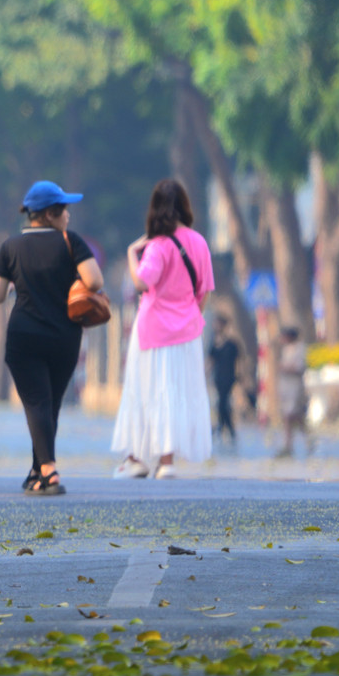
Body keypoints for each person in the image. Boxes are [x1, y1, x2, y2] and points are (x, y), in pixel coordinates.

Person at [0, 181, 104, 496]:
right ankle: (40, 471)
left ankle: (46, 469)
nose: (68, 215)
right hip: (64, 337)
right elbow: (95, 281)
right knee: (49, 404)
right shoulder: (70, 242)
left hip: (24, 336)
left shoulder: (11, 247)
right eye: (64, 209)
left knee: (37, 403)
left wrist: (18, 281)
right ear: (50, 214)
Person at [111, 179, 215, 479]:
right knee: (176, 391)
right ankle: (167, 461)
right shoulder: (199, 242)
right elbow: (205, 290)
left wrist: (132, 254)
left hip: (153, 331)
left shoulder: (157, 246)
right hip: (187, 333)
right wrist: (190, 317)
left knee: (145, 390)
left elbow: (142, 282)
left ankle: (135, 459)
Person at [277, 326, 310, 457]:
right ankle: (288, 445)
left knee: (292, 415)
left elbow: (300, 367)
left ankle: (304, 439)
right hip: (285, 386)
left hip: (295, 386)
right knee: (288, 416)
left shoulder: (299, 349)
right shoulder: (286, 349)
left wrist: (286, 368)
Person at [208, 315, 241, 444]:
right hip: (218, 377)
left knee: (222, 403)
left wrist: (240, 376)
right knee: (221, 403)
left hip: (229, 377)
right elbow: (210, 361)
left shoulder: (231, 344)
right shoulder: (214, 343)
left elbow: (238, 361)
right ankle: (225, 427)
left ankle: (224, 428)